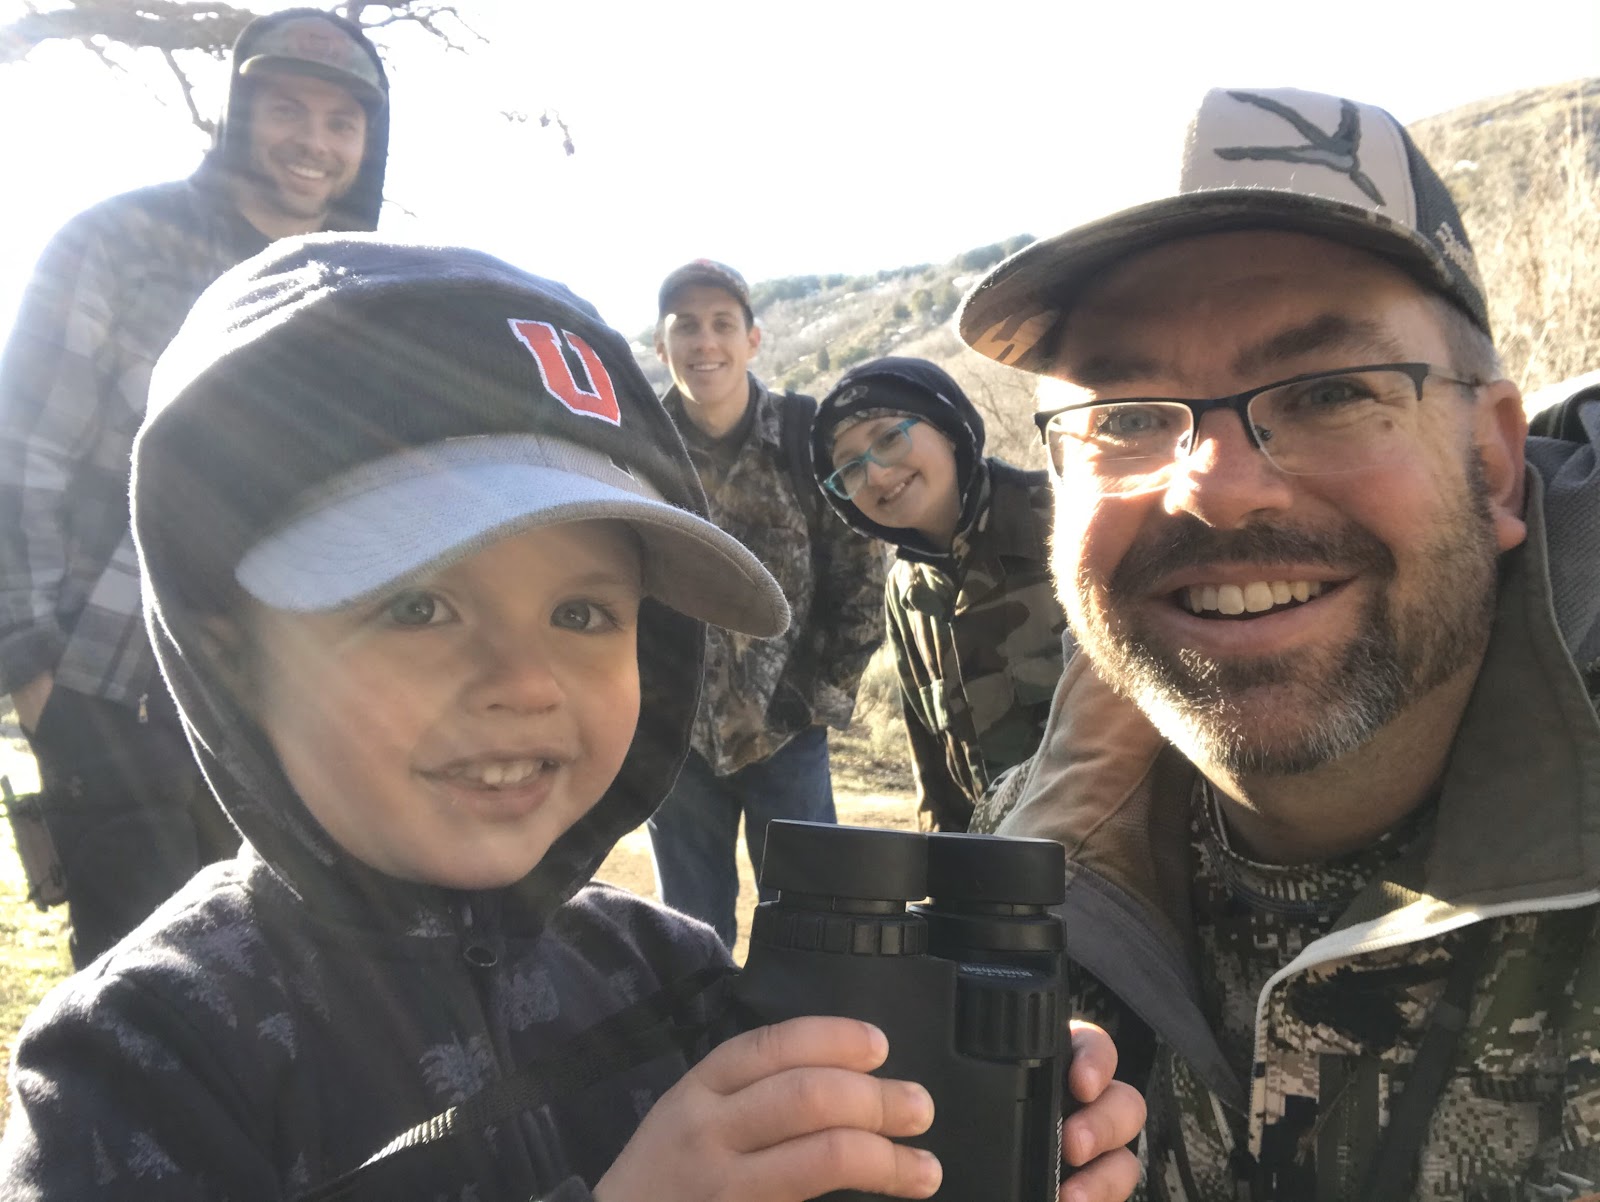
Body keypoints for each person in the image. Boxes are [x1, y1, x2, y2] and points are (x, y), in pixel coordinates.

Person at [0, 236, 1145, 1202]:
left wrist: (974, 1131)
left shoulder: (675, 975)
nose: (525, 680)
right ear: (227, 648)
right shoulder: (137, 1060)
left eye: (584, 611)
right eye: (418, 603)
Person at [957, 84, 1600, 1199]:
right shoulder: (1014, 867)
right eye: (1125, 416)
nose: (1214, 489)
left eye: (1330, 391)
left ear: (1493, 463)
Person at [0, 7, 391, 967]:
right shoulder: (119, 242)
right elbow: (21, 455)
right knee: (142, 1003)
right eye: (286, 108)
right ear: (236, 114)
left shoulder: (367, 292)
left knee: (298, 991)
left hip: (295, 711)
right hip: (114, 694)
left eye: (342, 121)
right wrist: (35, 674)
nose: (314, 141)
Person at [648, 260, 886, 946]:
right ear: (662, 346)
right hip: (675, 743)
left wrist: (816, 700)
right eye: (686, 326)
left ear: (752, 340)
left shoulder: (808, 438)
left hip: (788, 736)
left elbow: (860, 581)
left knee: (814, 933)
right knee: (688, 944)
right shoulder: (637, 449)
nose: (705, 342)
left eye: (723, 323)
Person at [812, 357, 1067, 832]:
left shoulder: (1063, 521)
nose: (877, 475)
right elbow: (935, 779)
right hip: (997, 864)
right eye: (849, 467)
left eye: (889, 438)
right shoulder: (905, 591)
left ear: (947, 427)